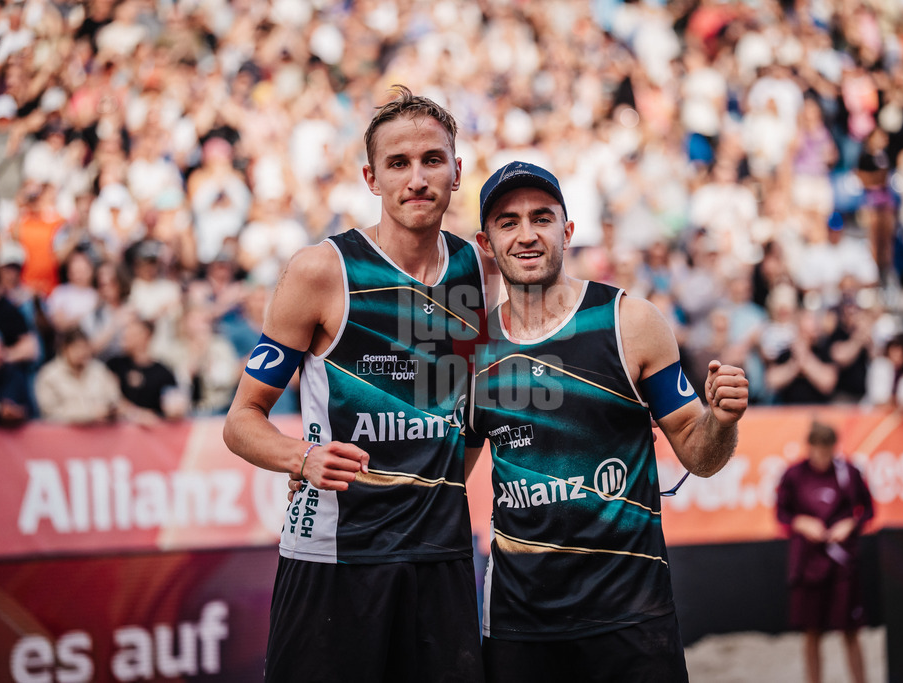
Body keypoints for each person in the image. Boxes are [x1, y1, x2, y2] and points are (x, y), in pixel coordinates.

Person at [225, 86, 497, 682]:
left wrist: (434, 486)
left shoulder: (481, 270)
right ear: (373, 178)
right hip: (334, 555)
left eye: (432, 160)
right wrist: (303, 459)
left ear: (458, 171)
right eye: (398, 164)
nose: (417, 178)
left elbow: (475, 414)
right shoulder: (322, 270)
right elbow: (241, 421)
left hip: (440, 555)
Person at [467, 161, 749, 682]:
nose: (526, 234)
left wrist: (723, 420)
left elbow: (699, 453)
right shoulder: (472, 353)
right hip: (519, 625)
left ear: (567, 231)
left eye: (541, 218)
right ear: (486, 243)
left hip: (632, 617)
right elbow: (442, 479)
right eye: (508, 222)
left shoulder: (630, 323)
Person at [776, 421, 874, 683]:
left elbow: (868, 510)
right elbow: (781, 514)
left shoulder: (848, 472)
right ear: (809, 447)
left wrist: (850, 523)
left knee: (851, 631)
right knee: (812, 632)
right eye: (817, 450)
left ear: (834, 448)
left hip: (842, 563)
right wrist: (801, 523)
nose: (822, 456)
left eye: (827, 450)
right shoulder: (794, 475)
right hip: (808, 563)